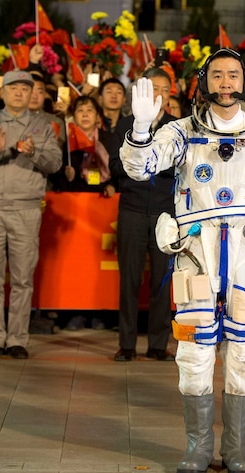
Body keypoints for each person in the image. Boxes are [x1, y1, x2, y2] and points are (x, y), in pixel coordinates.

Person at [120, 48, 245, 473]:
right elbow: (140, 168)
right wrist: (142, 127)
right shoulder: (181, 132)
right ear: (203, 81)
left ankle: (236, 446)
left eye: (233, 75)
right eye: (216, 75)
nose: (225, 83)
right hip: (196, 253)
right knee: (194, 350)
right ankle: (198, 446)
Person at [0, 70, 62, 360]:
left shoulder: (42, 126)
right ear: (3, 92)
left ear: (32, 93)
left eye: (25, 89)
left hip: (26, 208)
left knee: (22, 278)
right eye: (13, 88)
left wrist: (33, 154)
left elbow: (54, 163)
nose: (19, 93)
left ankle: (17, 338)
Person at [109, 68, 178, 361]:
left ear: (170, 93)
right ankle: (126, 343)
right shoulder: (127, 124)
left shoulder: (177, 127)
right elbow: (114, 165)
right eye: (154, 88)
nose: (159, 94)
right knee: (129, 278)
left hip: (166, 212)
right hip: (133, 209)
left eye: (164, 89)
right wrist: (138, 167)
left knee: (163, 280)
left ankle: (158, 344)